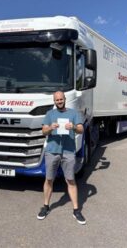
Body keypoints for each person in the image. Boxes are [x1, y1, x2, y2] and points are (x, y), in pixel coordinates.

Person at [37, 91, 86, 225]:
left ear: (65, 99)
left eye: (61, 99)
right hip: (52, 151)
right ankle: (46, 206)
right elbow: (43, 131)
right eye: (57, 100)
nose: (59, 101)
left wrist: (74, 127)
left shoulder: (73, 113)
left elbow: (81, 129)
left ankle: (76, 210)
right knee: (49, 179)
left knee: (71, 180)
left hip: (68, 152)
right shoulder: (50, 114)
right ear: (54, 101)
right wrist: (50, 128)